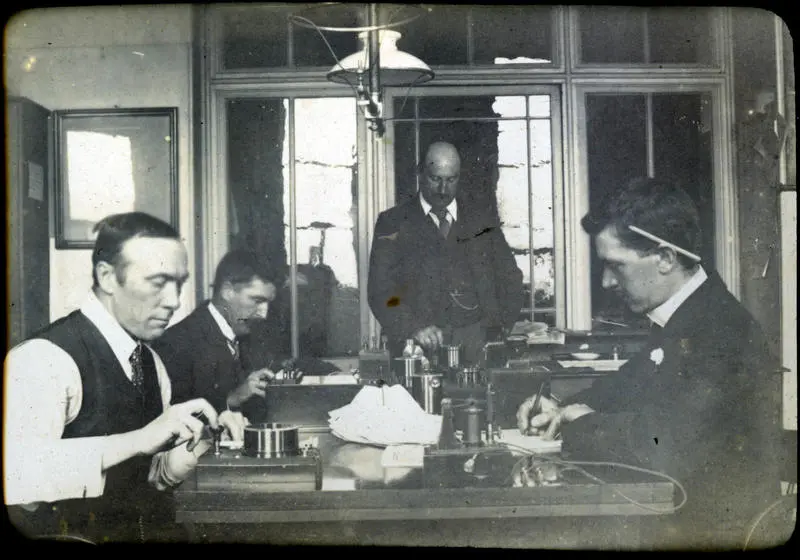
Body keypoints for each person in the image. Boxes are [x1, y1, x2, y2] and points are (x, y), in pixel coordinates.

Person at [516, 178, 783, 549]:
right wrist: (559, 407)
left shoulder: (720, 332)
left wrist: (579, 425)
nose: (607, 281)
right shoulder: (687, 317)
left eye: (617, 266)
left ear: (665, 259)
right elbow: (629, 384)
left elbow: (661, 445)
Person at [4, 212, 246, 543]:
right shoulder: (44, 359)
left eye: (179, 284)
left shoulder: (151, 363)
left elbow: (150, 478)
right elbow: (19, 481)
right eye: (158, 283)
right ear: (106, 277)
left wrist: (202, 440)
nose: (174, 302)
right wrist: (139, 439)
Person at [368, 141, 524, 364]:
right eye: (435, 179)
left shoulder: (481, 220)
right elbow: (380, 291)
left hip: (478, 346)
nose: (443, 189)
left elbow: (511, 278)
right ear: (421, 173)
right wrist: (412, 327)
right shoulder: (392, 222)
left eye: (451, 180)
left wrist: (499, 327)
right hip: (417, 349)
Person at [153, 250, 278, 422]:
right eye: (257, 301)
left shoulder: (250, 337)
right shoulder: (176, 342)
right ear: (227, 291)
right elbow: (170, 420)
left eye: (267, 303)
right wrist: (232, 400)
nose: (263, 314)